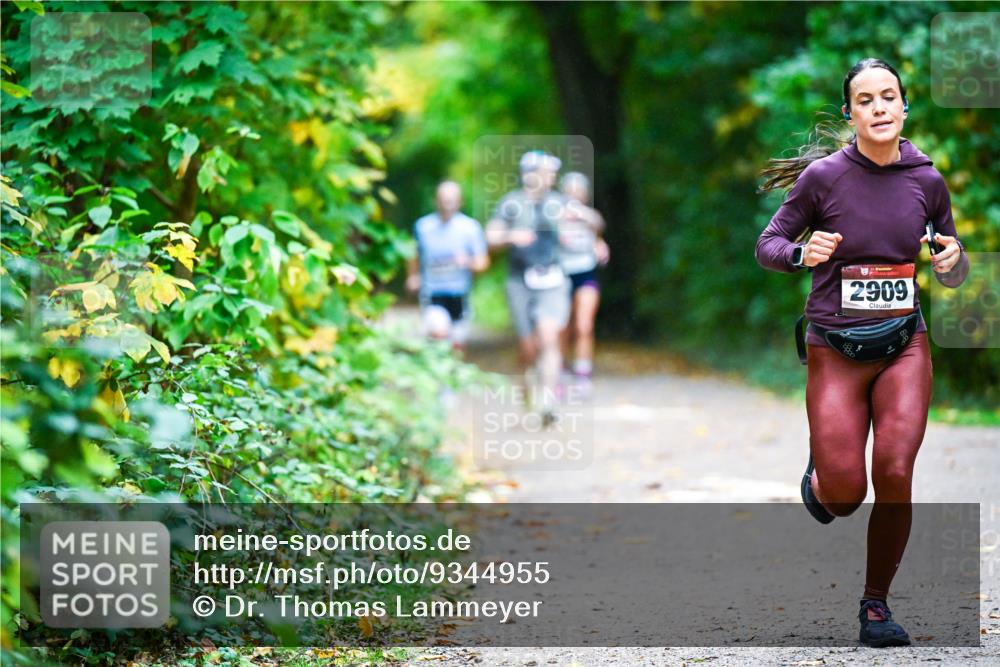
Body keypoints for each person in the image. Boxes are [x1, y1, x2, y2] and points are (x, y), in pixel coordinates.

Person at [756, 58, 969, 649]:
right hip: (836, 348)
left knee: (895, 471)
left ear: (905, 107)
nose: (879, 107)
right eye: (866, 100)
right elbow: (768, 244)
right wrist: (802, 254)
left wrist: (953, 261)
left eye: (889, 96)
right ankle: (824, 474)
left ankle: (876, 605)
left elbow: (951, 261)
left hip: (904, 344)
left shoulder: (927, 180)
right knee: (845, 496)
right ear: (850, 114)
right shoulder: (823, 178)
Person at [486, 151, 571, 422]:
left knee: (549, 336)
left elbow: (589, 223)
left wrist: (593, 238)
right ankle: (527, 389)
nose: (552, 178)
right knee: (528, 347)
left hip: (553, 279)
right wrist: (511, 236)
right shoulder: (511, 203)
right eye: (548, 173)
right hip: (519, 280)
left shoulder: (559, 203)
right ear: (531, 174)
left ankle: (547, 401)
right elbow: (490, 237)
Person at [407, 180, 489, 350]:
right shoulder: (422, 227)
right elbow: (413, 253)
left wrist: (467, 261)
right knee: (439, 333)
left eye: (451, 201)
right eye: (443, 201)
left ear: (460, 202)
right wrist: (412, 276)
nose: (447, 206)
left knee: (457, 344)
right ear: (436, 201)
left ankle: (449, 365)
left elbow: (483, 263)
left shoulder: (470, 228)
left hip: (460, 294)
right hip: (432, 293)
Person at [558, 171, 608, 394]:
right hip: (560, 274)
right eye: (569, 191)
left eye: (578, 191)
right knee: (562, 327)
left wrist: (598, 241)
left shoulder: (589, 215)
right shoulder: (553, 214)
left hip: (586, 273)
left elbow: (599, 225)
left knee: (584, 325)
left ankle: (583, 374)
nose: (574, 195)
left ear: (585, 194)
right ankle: (558, 372)